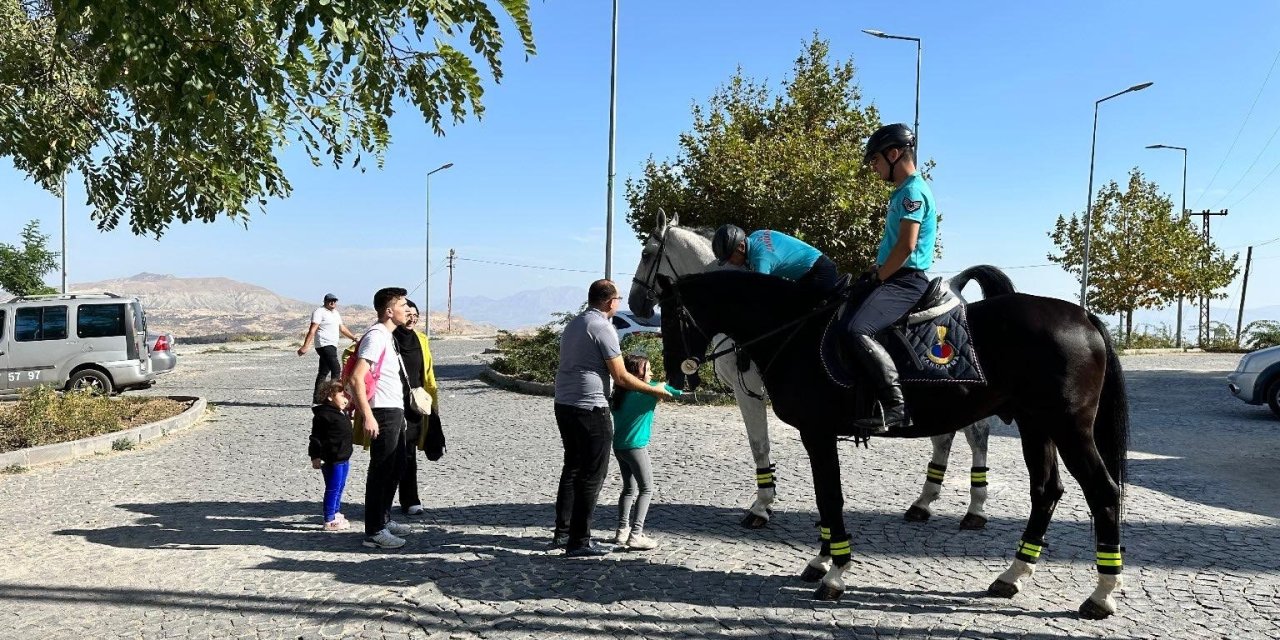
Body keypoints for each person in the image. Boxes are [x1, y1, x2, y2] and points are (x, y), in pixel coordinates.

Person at [553, 279, 673, 558]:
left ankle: (563, 533)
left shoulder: (575, 324)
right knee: (592, 474)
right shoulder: (603, 328)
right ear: (610, 302)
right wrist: (654, 390)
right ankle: (579, 541)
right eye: (617, 298)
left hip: (564, 404)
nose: (618, 302)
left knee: (572, 468)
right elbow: (621, 376)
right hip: (589, 408)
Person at [849, 122, 938, 434]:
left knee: (859, 330)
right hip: (893, 275)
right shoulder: (901, 192)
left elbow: (906, 245)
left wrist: (881, 277)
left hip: (906, 280)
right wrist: (876, 271)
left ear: (894, 153)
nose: (873, 167)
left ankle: (895, 408)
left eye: (875, 160)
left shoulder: (912, 191)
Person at [349, 287, 414, 549]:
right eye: (402, 305)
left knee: (396, 466)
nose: (407, 309)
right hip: (382, 412)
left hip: (393, 409)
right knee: (381, 469)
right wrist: (367, 415)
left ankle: (384, 518)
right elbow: (356, 377)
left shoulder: (388, 336)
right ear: (389, 311)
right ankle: (374, 531)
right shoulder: (376, 336)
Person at [609, 353, 681, 551]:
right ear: (636, 375)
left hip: (619, 446)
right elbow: (677, 392)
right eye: (647, 370)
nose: (651, 373)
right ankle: (636, 534)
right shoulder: (646, 394)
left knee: (628, 489)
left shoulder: (619, 394)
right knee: (646, 489)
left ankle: (622, 531)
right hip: (636, 447)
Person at [394, 300, 440, 518]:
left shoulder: (421, 340)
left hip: (414, 405)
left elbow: (427, 374)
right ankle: (382, 500)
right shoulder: (388, 338)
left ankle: (410, 499)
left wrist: (433, 402)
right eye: (408, 314)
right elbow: (351, 354)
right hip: (391, 403)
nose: (412, 318)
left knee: (409, 453)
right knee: (389, 454)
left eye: (416, 315)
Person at [711, 225, 842, 298]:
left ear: (740, 247)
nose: (730, 263)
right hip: (814, 269)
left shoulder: (761, 260)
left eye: (730, 258)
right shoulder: (757, 234)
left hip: (820, 275)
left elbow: (757, 295)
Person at [309, 380, 354, 531]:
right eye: (341, 395)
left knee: (340, 487)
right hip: (332, 459)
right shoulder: (323, 415)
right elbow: (315, 438)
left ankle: (336, 511)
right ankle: (329, 518)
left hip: (344, 458)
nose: (345, 399)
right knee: (332, 488)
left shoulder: (341, 412)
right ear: (330, 397)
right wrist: (315, 456)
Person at [298, 293, 359, 404]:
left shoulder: (335, 313)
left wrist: (353, 337)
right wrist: (305, 346)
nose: (333, 302)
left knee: (323, 372)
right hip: (324, 344)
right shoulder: (319, 312)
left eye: (334, 301)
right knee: (336, 370)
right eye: (330, 300)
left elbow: (342, 328)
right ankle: (333, 398)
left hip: (332, 344)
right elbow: (312, 330)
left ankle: (317, 399)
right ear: (325, 301)